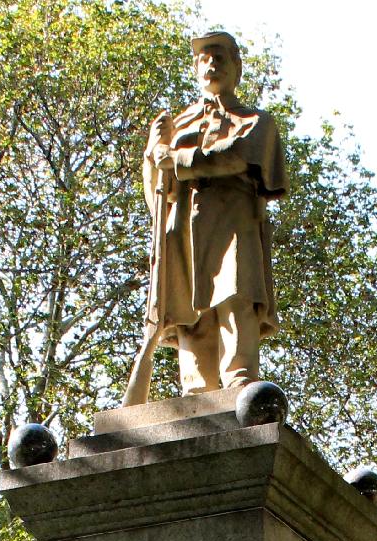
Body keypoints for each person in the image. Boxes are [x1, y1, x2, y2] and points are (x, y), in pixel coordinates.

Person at [123, 27, 288, 403]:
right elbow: (156, 198)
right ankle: (196, 393)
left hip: (234, 223)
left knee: (236, 297)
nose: (210, 64)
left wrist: (176, 159)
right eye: (203, 58)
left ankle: (239, 386)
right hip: (183, 227)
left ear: (236, 67)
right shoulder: (178, 126)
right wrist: (153, 156)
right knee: (188, 310)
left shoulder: (256, 121)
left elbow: (236, 154)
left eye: (219, 57)